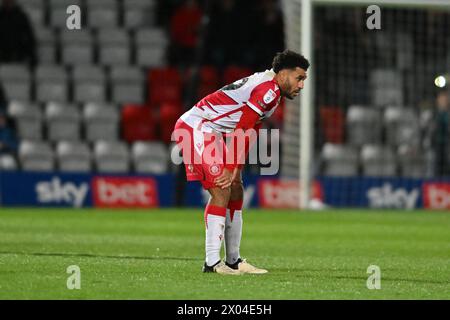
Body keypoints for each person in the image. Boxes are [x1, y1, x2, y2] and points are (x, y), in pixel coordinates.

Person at [173, 50, 309, 275]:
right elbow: (243, 127)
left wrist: (236, 168)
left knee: (236, 189)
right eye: (299, 78)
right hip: (196, 127)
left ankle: (234, 260)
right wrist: (229, 167)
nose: (301, 85)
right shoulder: (268, 90)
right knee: (221, 189)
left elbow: (251, 129)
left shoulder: (272, 91)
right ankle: (212, 263)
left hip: (212, 132)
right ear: (283, 73)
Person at [0, 0, 36, 66]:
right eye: (6, 1)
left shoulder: (21, 16)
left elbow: (29, 37)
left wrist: (31, 55)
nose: (8, 2)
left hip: (19, 56)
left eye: (10, 1)